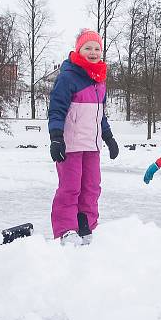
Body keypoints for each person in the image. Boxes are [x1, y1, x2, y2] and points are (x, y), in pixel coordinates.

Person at [48, 29, 119, 245]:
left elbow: (100, 115)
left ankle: (85, 225)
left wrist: (109, 138)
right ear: (79, 50)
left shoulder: (99, 80)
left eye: (97, 48)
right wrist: (56, 137)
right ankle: (65, 230)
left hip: (92, 145)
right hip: (70, 145)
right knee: (70, 187)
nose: (93, 52)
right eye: (88, 48)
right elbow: (57, 110)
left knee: (92, 187)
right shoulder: (68, 77)